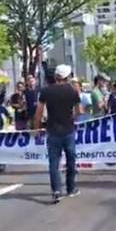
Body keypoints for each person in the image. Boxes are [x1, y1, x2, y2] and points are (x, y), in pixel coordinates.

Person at [34, 64, 81, 204]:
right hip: (68, 130)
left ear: (56, 76)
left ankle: (56, 190)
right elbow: (80, 111)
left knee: (54, 162)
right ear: (68, 76)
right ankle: (71, 188)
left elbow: (39, 112)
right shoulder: (72, 91)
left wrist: (37, 128)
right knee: (71, 159)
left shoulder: (46, 91)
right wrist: (74, 117)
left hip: (52, 130)